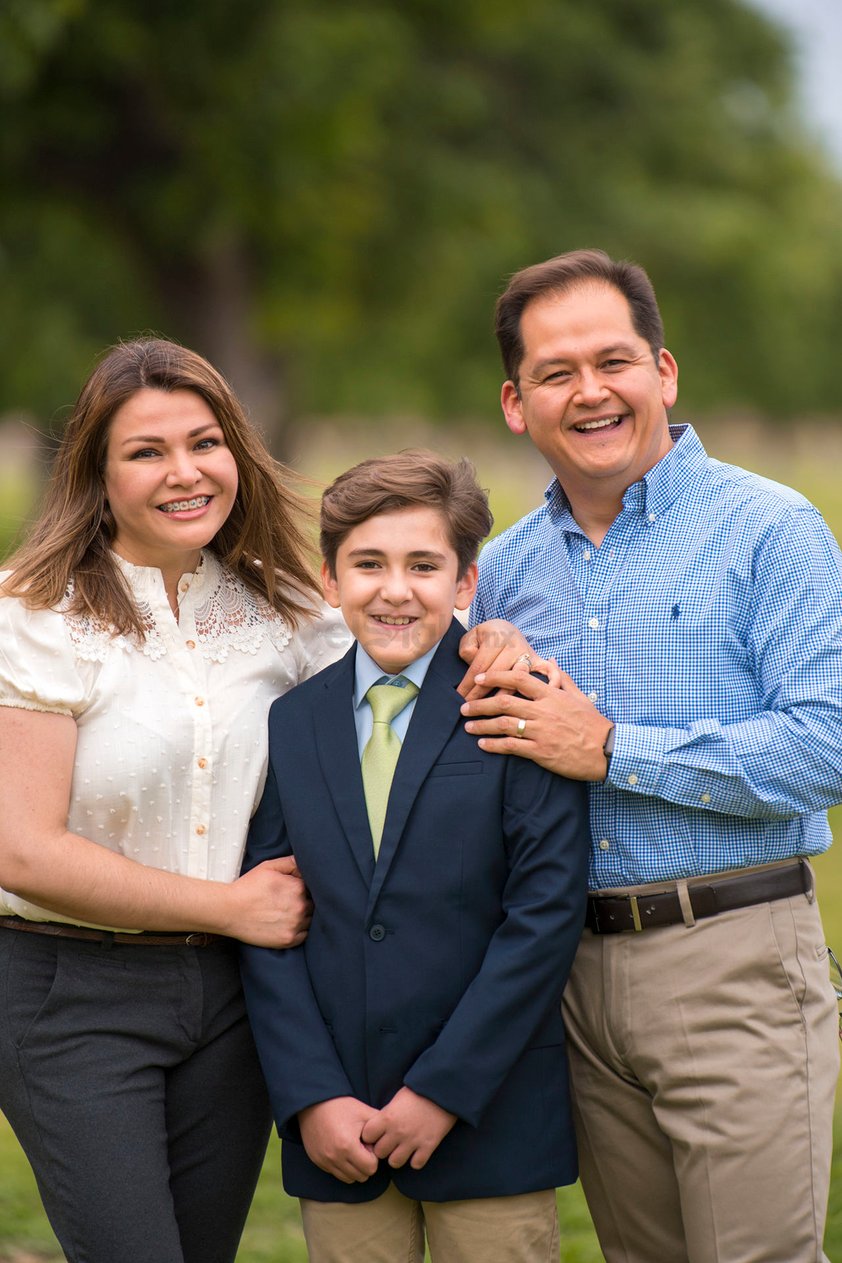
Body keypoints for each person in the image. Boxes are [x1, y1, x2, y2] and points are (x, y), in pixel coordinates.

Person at [458, 249, 842, 1263]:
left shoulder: (769, 530)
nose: (589, 391)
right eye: (554, 372)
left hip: (734, 956)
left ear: (661, 374)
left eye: (612, 360)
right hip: (570, 980)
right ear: (514, 402)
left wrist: (615, 748)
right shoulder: (501, 569)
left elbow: (825, 743)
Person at [0, 337, 350, 1263]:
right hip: (68, 992)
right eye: (146, 451)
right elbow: (22, 852)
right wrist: (233, 906)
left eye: (204, 442)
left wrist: (495, 640)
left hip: (234, 1001)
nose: (184, 472)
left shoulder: (289, 613)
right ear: (96, 474)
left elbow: (417, 663)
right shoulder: (34, 615)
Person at [239, 451, 590, 1263]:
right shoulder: (294, 721)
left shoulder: (517, 700)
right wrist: (311, 1095)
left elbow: (542, 919)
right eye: (368, 564)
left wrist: (441, 1091)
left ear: (466, 584)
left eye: (423, 566)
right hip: (341, 1126)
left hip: (490, 1113)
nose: (395, 590)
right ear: (330, 579)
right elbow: (271, 913)